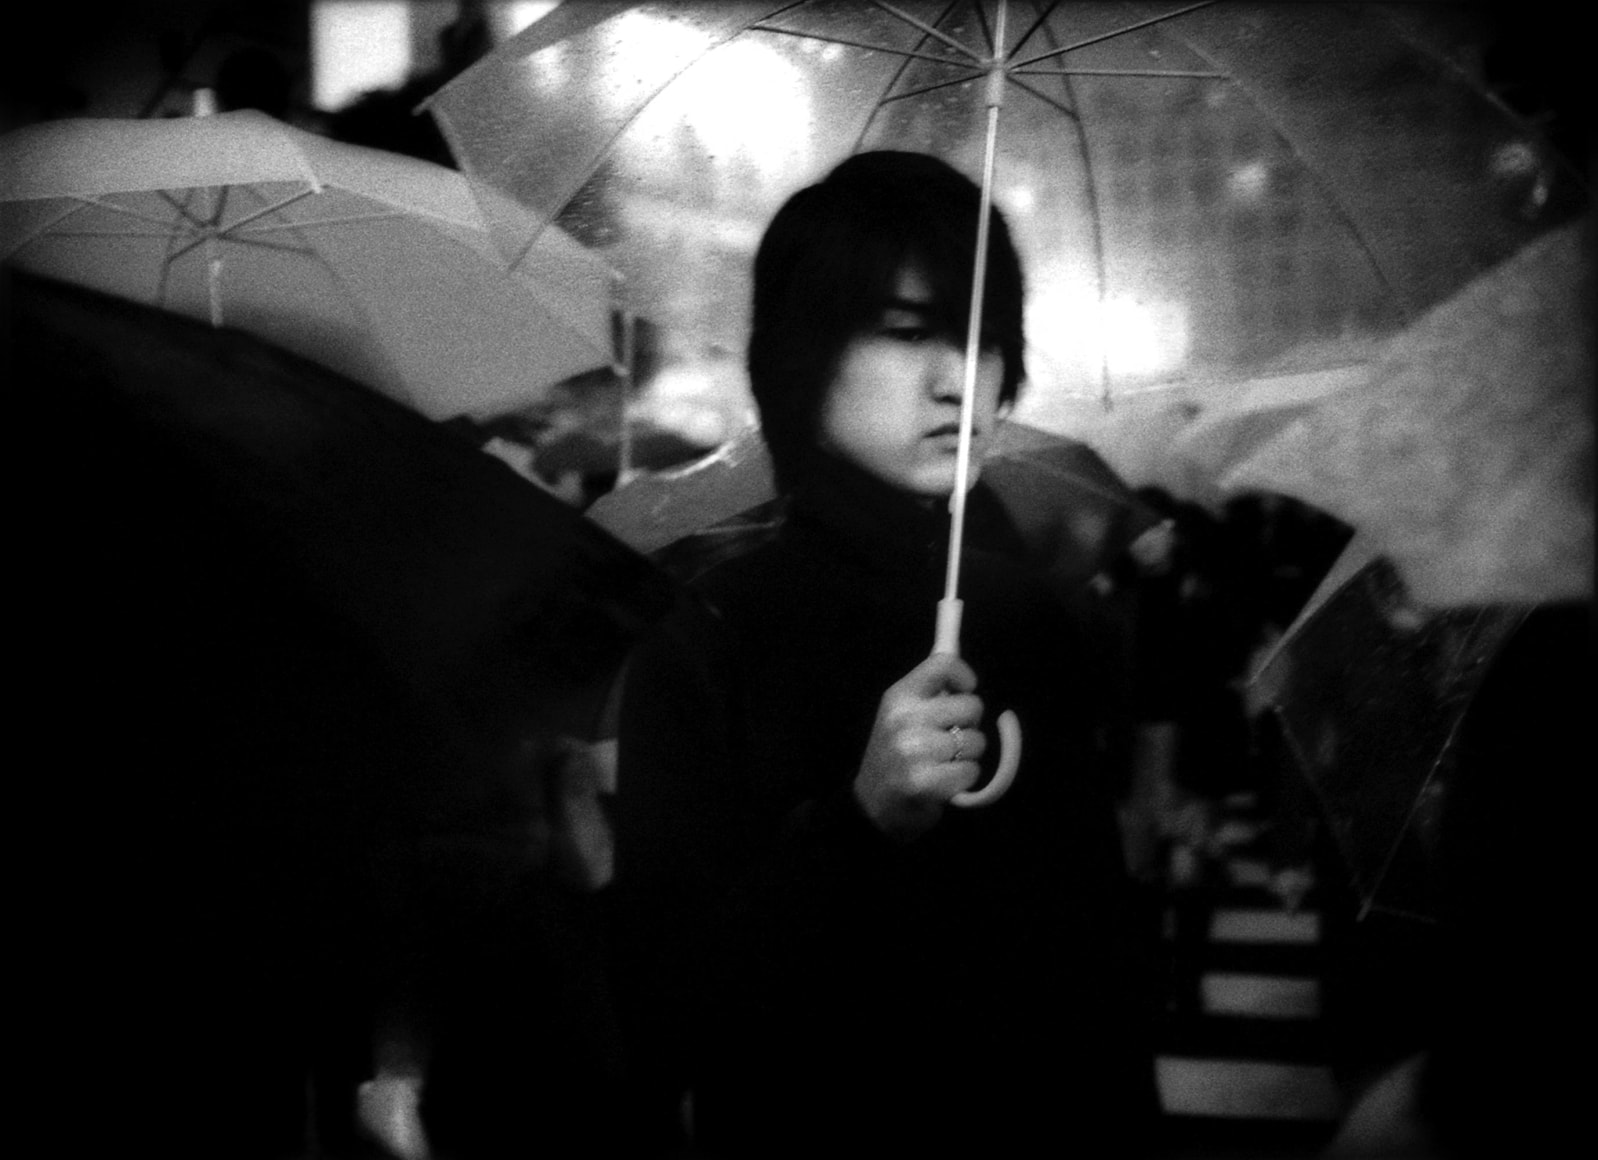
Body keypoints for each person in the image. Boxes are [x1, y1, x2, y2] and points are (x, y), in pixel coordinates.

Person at [610, 151, 1161, 1156]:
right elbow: (665, 1006)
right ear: (799, 355)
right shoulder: (706, 632)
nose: (959, 381)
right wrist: (859, 821)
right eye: (908, 333)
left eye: (986, 341)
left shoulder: (1028, 618)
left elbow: (1094, 981)